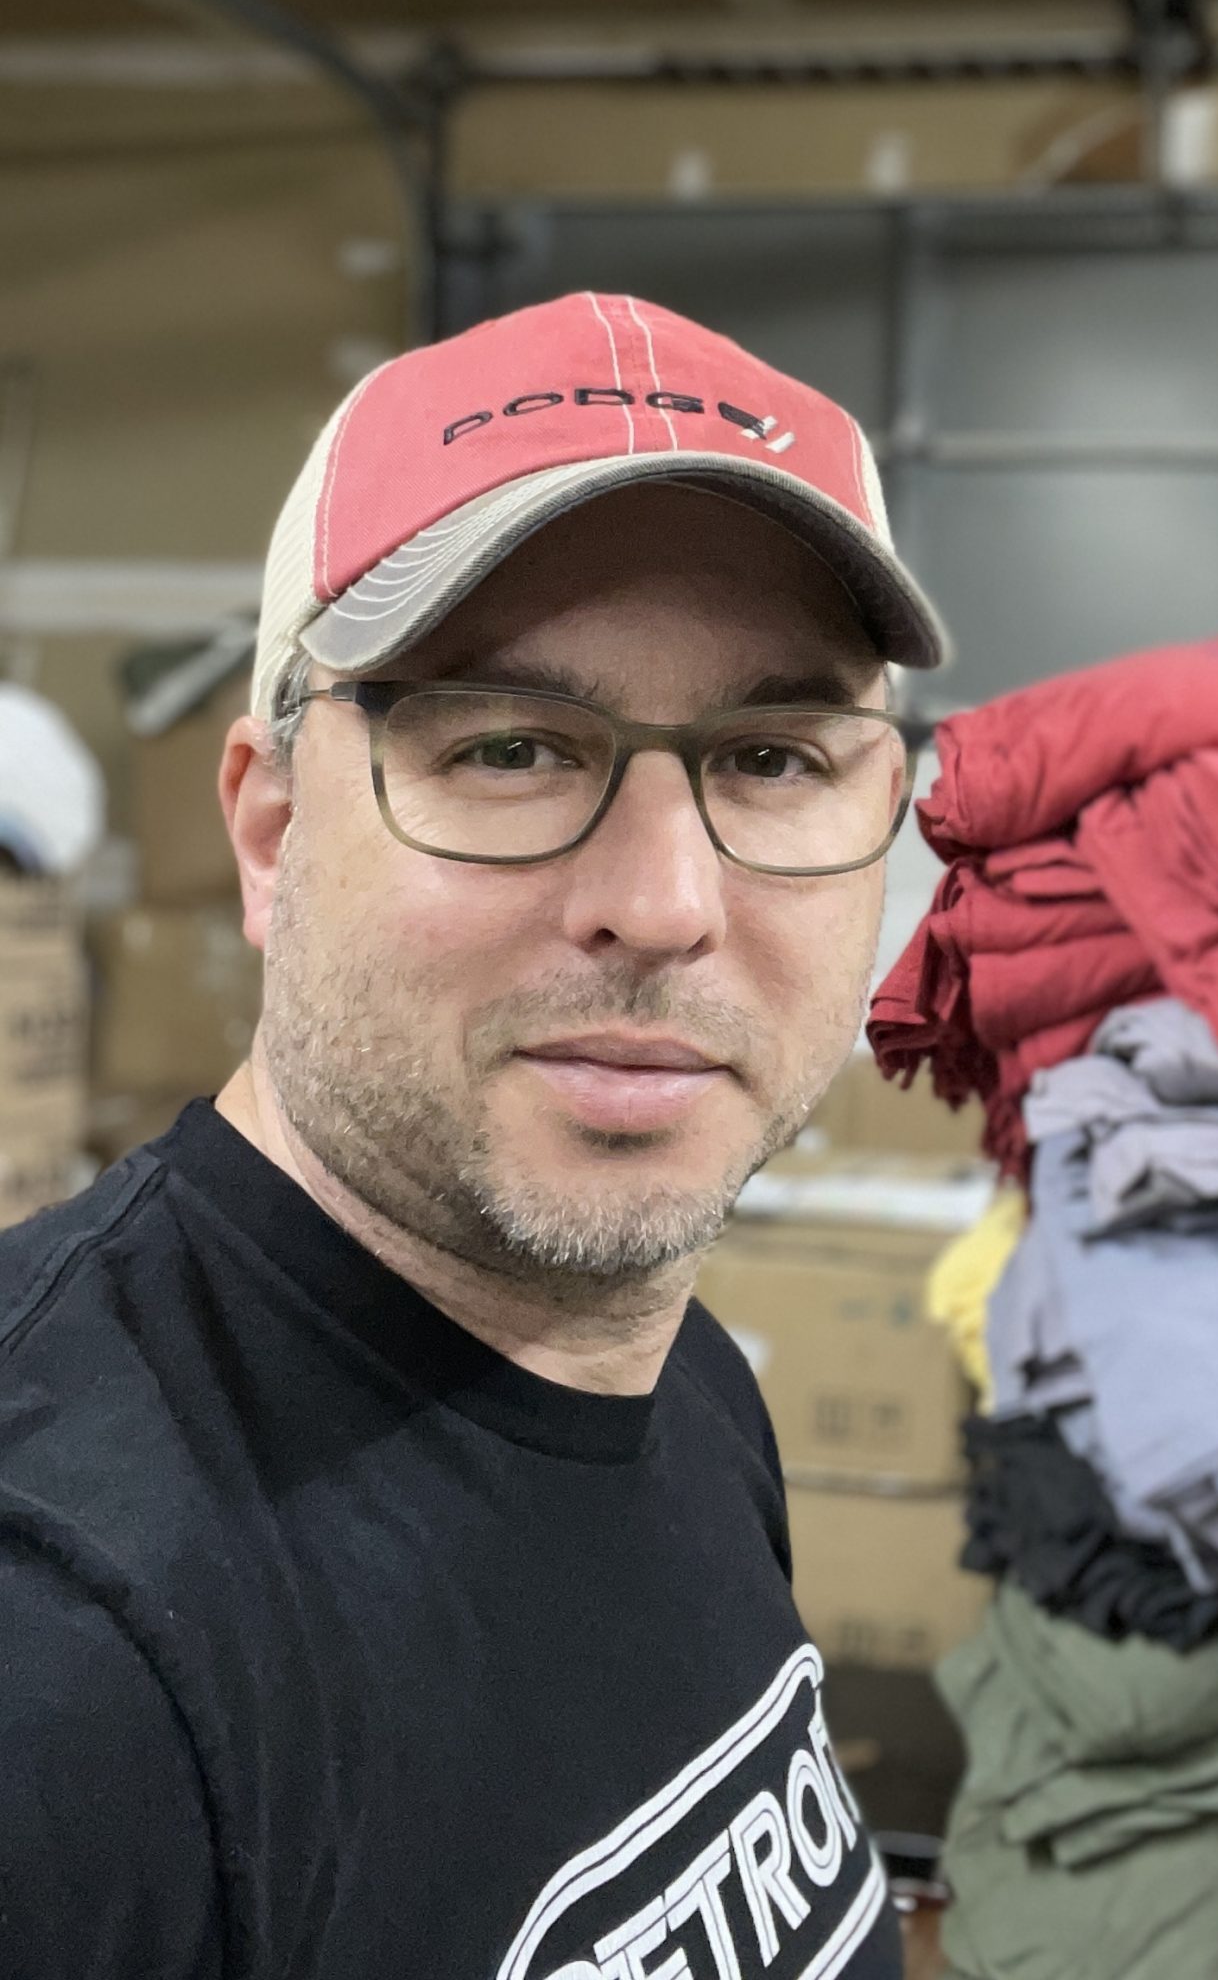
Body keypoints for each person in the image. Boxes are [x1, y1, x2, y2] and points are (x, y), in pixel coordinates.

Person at [0, 292, 951, 1979]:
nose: (663, 905)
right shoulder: (65, 1654)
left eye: (773, 757)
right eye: (512, 749)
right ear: (277, 828)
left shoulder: (672, 1370)